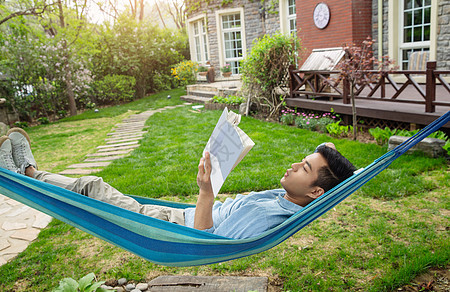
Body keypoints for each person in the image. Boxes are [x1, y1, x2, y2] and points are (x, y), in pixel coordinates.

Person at [0, 128, 356, 239]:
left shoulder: (269, 219)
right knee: (91, 188)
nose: (294, 164)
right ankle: (28, 172)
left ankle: (25, 175)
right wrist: (326, 153)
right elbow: (328, 160)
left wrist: (206, 190)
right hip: (177, 215)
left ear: (315, 192)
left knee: (92, 187)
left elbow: (207, 238)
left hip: (172, 229)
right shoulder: (291, 198)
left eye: (304, 167)